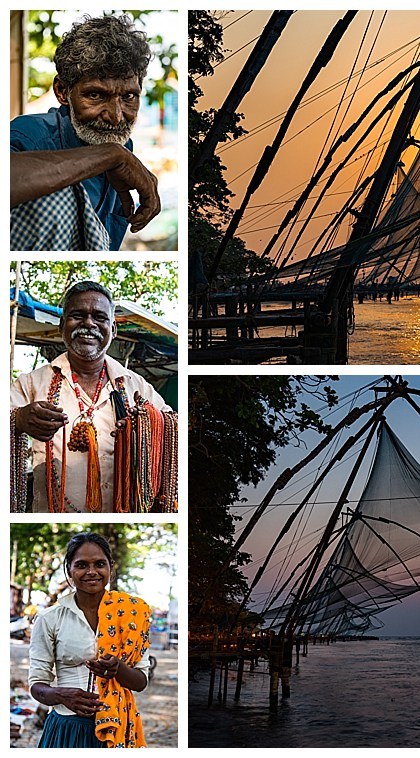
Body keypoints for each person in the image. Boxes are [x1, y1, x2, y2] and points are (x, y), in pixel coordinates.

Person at [10, 280, 177, 513]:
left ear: (114, 330)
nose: (88, 323)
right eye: (77, 315)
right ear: (61, 326)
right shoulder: (31, 383)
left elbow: (172, 430)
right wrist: (17, 420)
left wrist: (145, 424)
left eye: (99, 317)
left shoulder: (136, 386)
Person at [10, 14, 161, 251]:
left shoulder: (121, 149)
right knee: (55, 197)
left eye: (128, 97)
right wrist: (111, 155)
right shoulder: (31, 134)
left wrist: (115, 155)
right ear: (62, 92)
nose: (116, 116)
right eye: (95, 95)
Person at [28, 532, 152, 748]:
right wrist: (60, 695)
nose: (91, 572)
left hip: (117, 727)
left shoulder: (133, 614)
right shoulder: (50, 618)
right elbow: (37, 686)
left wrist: (118, 669)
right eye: (82, 565)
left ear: (110, 568)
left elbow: (141, 682)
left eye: (99, 564)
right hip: (67, 728)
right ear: (69, 570)